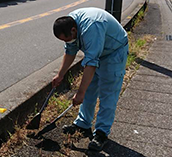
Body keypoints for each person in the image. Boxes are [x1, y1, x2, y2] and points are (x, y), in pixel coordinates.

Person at [52, 7, 128, 151]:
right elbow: (70, 50)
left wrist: (80, 92)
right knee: (89, 90)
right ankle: (83, 122)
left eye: (67, 38)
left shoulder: (92, 27)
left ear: (74, 30)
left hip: (114, 52)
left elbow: (91, 62)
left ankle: (101, 133)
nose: (67, 41)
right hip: (97, 52)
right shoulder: (68, 23)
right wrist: (60, 74)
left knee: (108, 93)